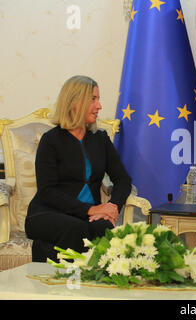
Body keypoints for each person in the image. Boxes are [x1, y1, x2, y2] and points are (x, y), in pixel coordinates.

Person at [25, 75, 132, 262]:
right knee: (76, 229)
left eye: (98, 99)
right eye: (93, 99)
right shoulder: (51, 140)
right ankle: (63, 286)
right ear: (74, 101)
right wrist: (90, 210)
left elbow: (123, 179)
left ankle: (89, 288)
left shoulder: (100, 138)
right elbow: (47, 191)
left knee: (102, 228)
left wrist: (112, 206)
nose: (99, 106)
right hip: (48, 213)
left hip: (87, 216)